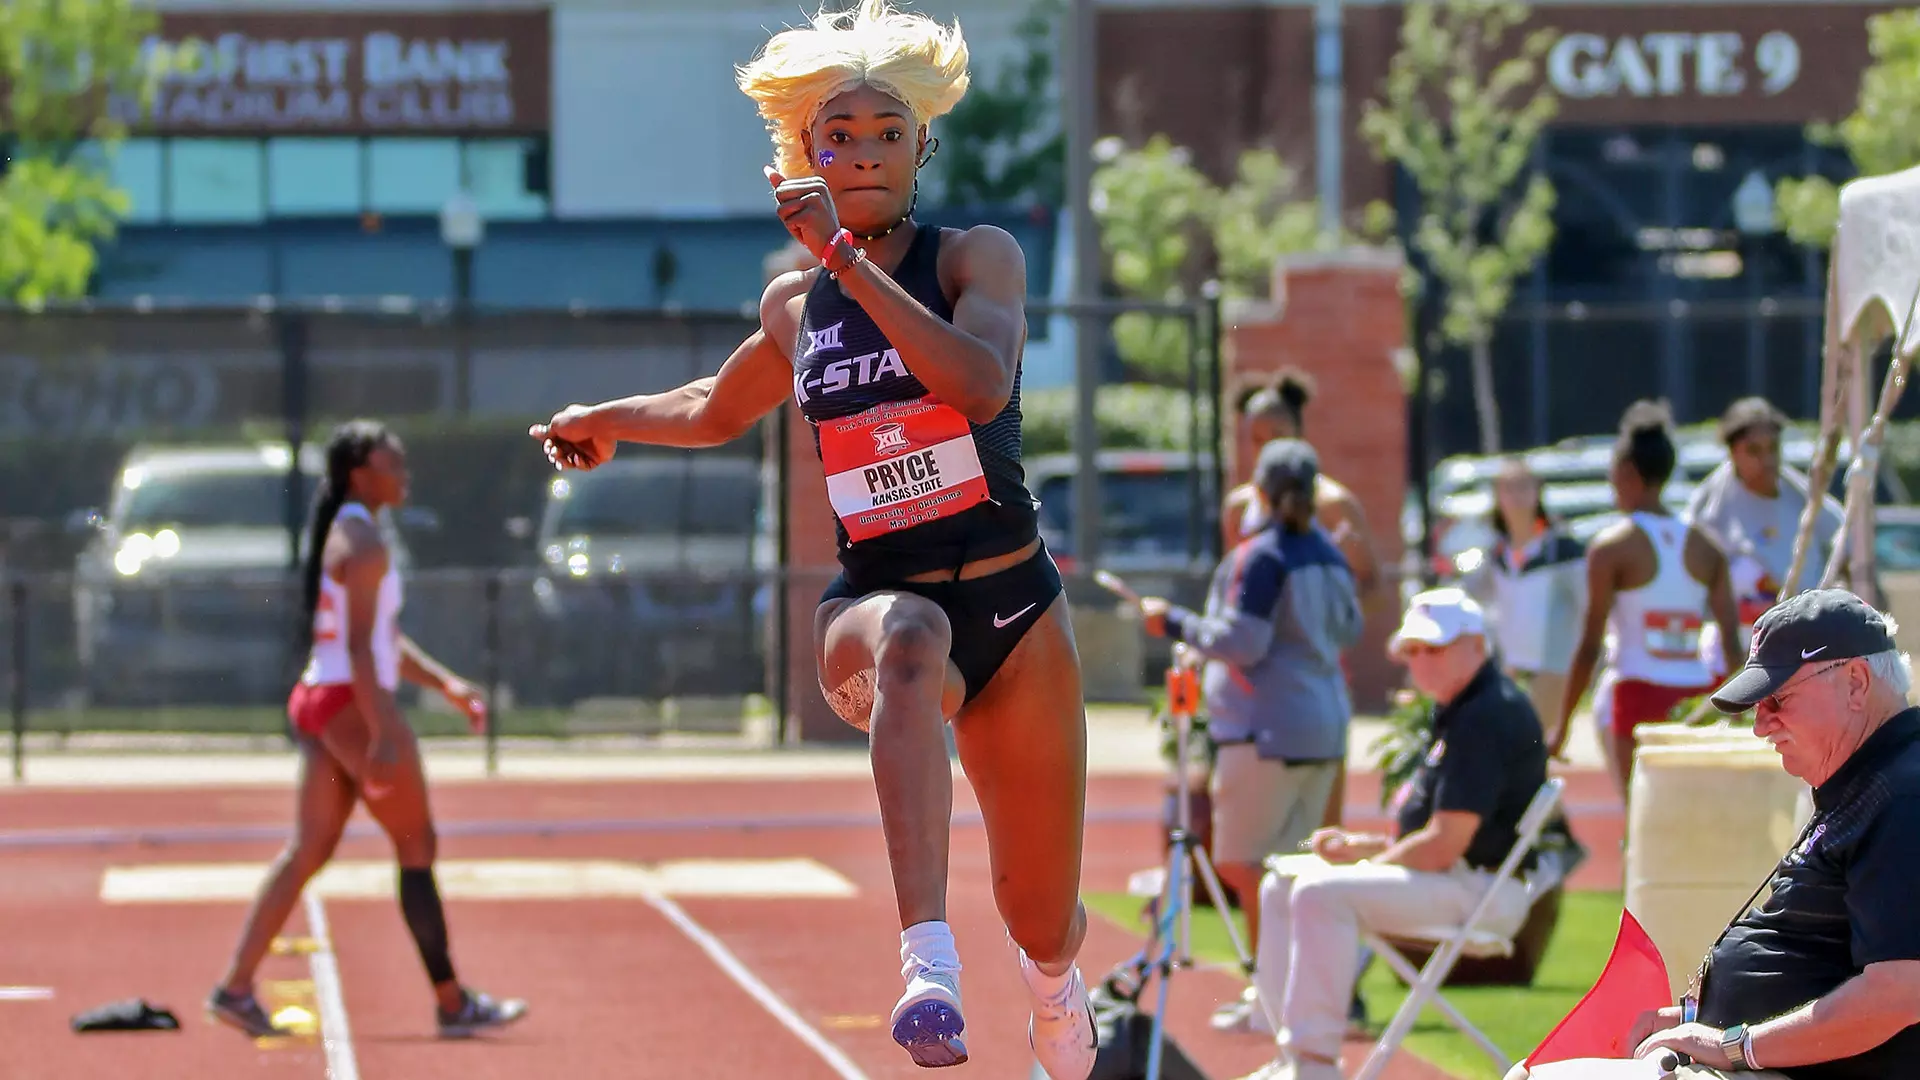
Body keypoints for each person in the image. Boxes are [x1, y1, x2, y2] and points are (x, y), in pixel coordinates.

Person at [526, 3, 1096, 1074]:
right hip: (878, 602)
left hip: (1018, 609)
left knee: (1040, 912)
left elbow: (976, 387)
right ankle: (928, 964)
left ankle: (1057, 988)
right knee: (912, 644)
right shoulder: (797, 306)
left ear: (921, 145)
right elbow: (713, 403)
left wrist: (850, 259)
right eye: (840, 135)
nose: (866, 152)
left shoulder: (980, 258)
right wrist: (606, 417)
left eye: (888, 132)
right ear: (805, 153)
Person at [1507, 588, 1920, 1080]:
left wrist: (1732, 1046)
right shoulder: (1874, 781)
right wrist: (1695, 1021)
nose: (1761, 726)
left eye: (1779, 699)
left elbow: (1901, 990)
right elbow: (1820, 964)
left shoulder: (1903, 793)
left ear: (1855, 682)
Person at [207, 421, 526, 1040]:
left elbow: (380, 641)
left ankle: (235, 988)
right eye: (393, 466)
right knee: (418, 846)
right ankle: (453, 1003)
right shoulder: (363, 541)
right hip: (351, 706)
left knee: (310, 851)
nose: (404, 477)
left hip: (325, 700)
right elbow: (359, 649)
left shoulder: (352, 532)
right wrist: (382, 732)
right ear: (361, 474)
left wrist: (447, 686)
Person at [1232, 587, 1548, 1080]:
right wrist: (1367, 848)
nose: (1421, 661)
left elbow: (1445, 843)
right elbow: (1442, 836)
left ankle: (1313, 1066)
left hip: (1485, 892)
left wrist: (1367, 865)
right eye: (1413, 649)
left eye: (1435, 648)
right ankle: (1291, 1057)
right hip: (1460, 878)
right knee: (1280, 881)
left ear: (1476, 647)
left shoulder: (1487, 714)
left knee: (1320, 892)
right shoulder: (1463, 706)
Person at [1135, 439, 1364, 1035]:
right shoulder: (1330, 554)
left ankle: (1273, 996)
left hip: (1267, 732)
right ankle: (1304, 996)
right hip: (1322, 724)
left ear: (1259, 492)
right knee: (1295, 870)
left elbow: (1244, 644)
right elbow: (1352, 626)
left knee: (1249, 866)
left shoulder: (1261, 557)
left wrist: (1176, 621)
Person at [1560, 401, 1740, 796]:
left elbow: (1590, 644)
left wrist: (1562, 725)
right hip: (1696, 693)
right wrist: (1746, 716)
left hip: (1638, 692)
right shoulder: (1707, 547)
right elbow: (1731, 646)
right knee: (1692, 818)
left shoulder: (1611, 548)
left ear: (1626, 474)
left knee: (1640, 822)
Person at [1686, 397, 1845, 675]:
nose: (1767, 460)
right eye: (1754, 451)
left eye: (1773, 448)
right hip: (1732, 653)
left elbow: (1846, 544)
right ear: (1733, 452)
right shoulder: (1711, 506)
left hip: (1801, 647)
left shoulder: (1803, 497)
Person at [1479, 456, 1587, 751]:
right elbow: (1476, 599)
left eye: (1524, 486)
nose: (1516, 495)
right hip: (1510, 667)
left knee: (1533, 750)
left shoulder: (1561, 549)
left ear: (1538, 491)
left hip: (1550, 668)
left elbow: (1587, 604)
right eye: (1507, 487)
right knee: (1511, 754)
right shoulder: (1496, 554)